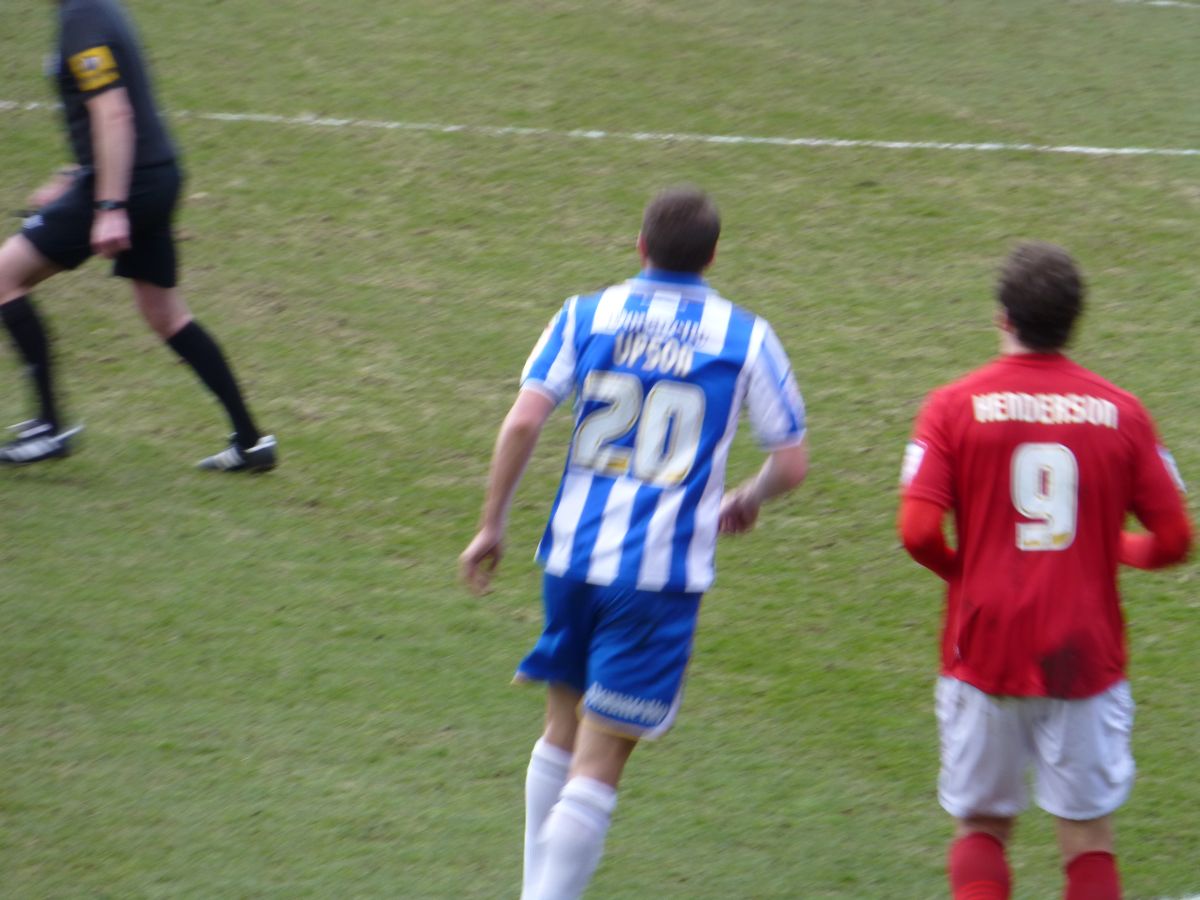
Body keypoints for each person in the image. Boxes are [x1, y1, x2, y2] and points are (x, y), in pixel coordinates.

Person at [460, 187, 809, 899]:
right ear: (713, 256)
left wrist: (491, 522)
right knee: (599, 762)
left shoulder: (586, 313)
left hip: (571, 558)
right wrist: (745, 499)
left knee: (560, 729)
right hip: (657, 577)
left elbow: (524, 421)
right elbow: (792, 462)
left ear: (640, 246)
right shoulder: (745, 337)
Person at [898, 242, 1192, 900]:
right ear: (1074, 321)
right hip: (1083, 654)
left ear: (1002, 317)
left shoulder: (951, 406)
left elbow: (917, 531)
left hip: (984, 646)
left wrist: (962, 574)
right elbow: (1174, 540)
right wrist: (1114, 547)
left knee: (981, 825)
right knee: (1087, 839)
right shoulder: (1123, 413)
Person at [0, 0, 275, 471]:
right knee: (166, 314)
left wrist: (109, 206)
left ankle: (50, 426)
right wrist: (74, 175)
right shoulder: (95, 9)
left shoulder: (82, 17)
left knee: (3, 277)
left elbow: (114, 113)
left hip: (127, 183)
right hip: (151, 175)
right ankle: (250, 442)